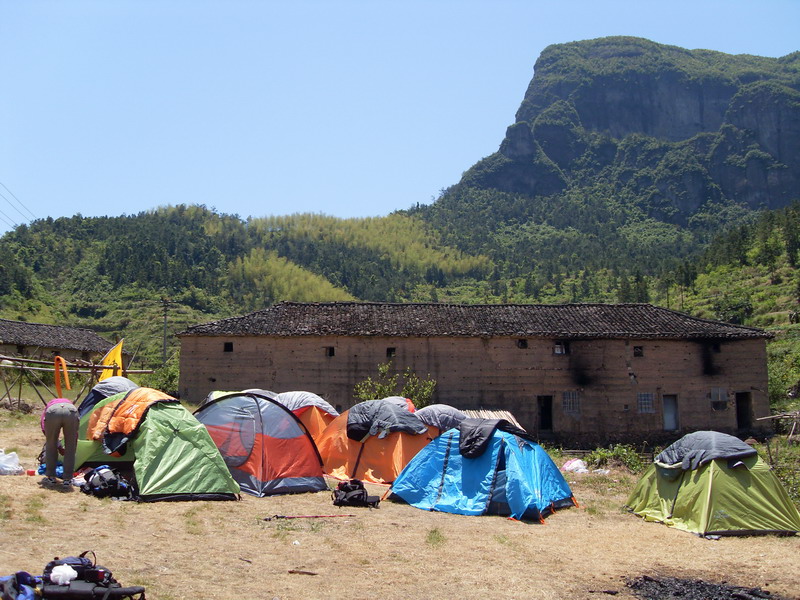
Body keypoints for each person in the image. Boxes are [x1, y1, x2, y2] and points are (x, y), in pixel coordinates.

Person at [40, 398, 79, 489]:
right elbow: (75, 435)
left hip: (53, 412)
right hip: (71, 411)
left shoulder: (48, 406)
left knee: (51, 445)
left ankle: (51, 477)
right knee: (70, 447)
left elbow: (45, 430)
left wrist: (58, 446)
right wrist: (72, 445)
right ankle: (68, 479)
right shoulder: (69, 403)